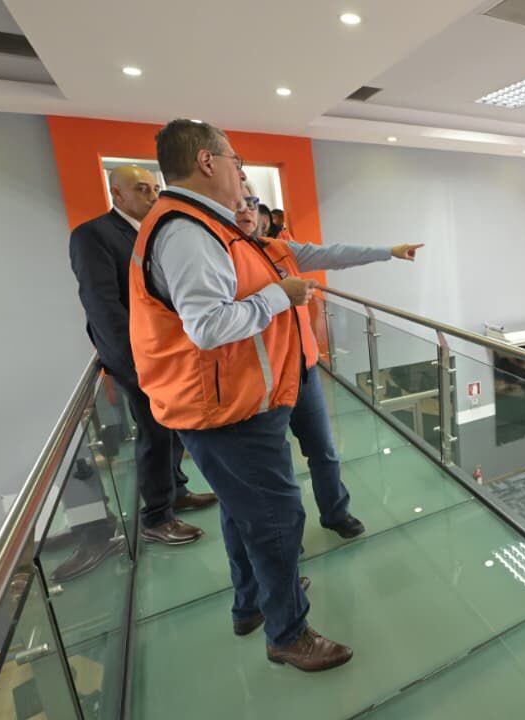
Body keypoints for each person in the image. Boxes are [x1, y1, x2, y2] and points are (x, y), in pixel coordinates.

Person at [128, 119, 420, 672]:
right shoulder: (189, 232)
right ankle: (288, 632)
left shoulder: (207, 228)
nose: (241, 175)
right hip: (226, 409)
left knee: (246, 513)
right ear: (207, 162)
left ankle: (254, 604)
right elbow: (208, 327)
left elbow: (324, 254)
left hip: (234, 401)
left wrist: (384, 252)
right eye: (235, 161)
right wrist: (280, 295)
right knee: (277, 518)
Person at [234, 185, 419, 537]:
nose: (246, 211)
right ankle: (287, 538)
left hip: (304, 372)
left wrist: (389, 252)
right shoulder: (224, 260)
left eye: (251, 204)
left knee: (324, 451)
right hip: (262, 378)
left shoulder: (279, 249)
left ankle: (335, 514)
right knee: (275, 467)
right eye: (236, 204)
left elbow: (334, 254)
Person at [67, 165, 216, 571]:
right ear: (117, 193)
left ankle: (177, 491)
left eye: (154, 188)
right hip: (138, 358)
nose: (152, 196)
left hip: (170, 351)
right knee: (154, 432)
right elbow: (102, 306)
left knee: (174, 429)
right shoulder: (93, 235)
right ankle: (157, 518)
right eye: (142, 189)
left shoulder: (155, 233)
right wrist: (135, 366)